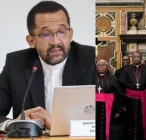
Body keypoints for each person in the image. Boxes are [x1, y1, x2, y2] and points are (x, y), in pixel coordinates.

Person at [0, 1, 95, 131]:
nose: (56, 41)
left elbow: (103, 121)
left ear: (70, 34)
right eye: (46, 34)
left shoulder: (90, 59)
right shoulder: (16, 63)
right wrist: (13, 124)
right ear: (31, 41)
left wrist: (58, 125)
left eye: (61, 32)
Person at [119, 51, 146, 140]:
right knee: (131, 119)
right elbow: (122, 85)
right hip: (130, 99)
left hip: (143, 98)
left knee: (142, 119)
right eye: (134, 57)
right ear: (132, 59)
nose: (136, 58)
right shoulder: (126, 70)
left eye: (138, 57)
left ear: (141, 58)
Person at [96, 59, 125, 140]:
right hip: (95, 109)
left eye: (103, 65)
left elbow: (119, 95)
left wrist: (117, 110)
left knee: (109, 129)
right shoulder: (92, 77)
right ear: (96, 67)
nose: (101, 67)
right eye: (99, 65)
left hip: (110, 108)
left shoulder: (113, 78)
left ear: (107, 67)